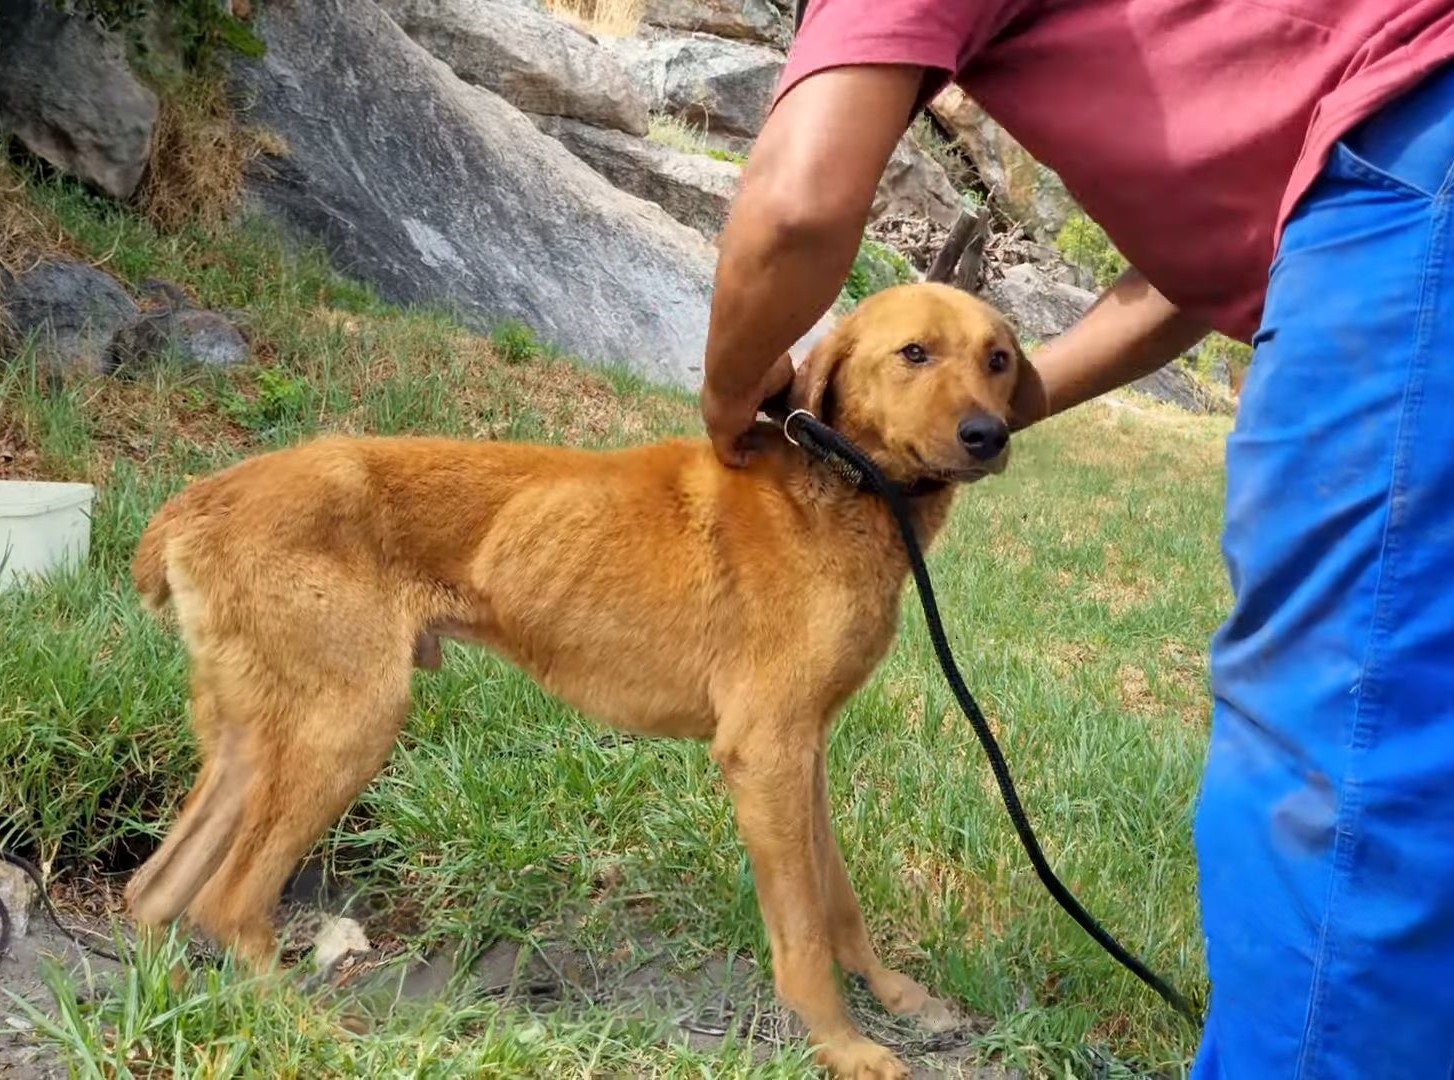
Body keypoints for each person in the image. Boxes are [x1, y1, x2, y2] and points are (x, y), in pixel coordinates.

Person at [698, 2, 1454, 1075]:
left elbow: (792, 208)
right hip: (1388, 173)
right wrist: (991, 416)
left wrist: (729, 392)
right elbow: (1191, 281)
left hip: (1408, 176)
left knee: (1345, 721)